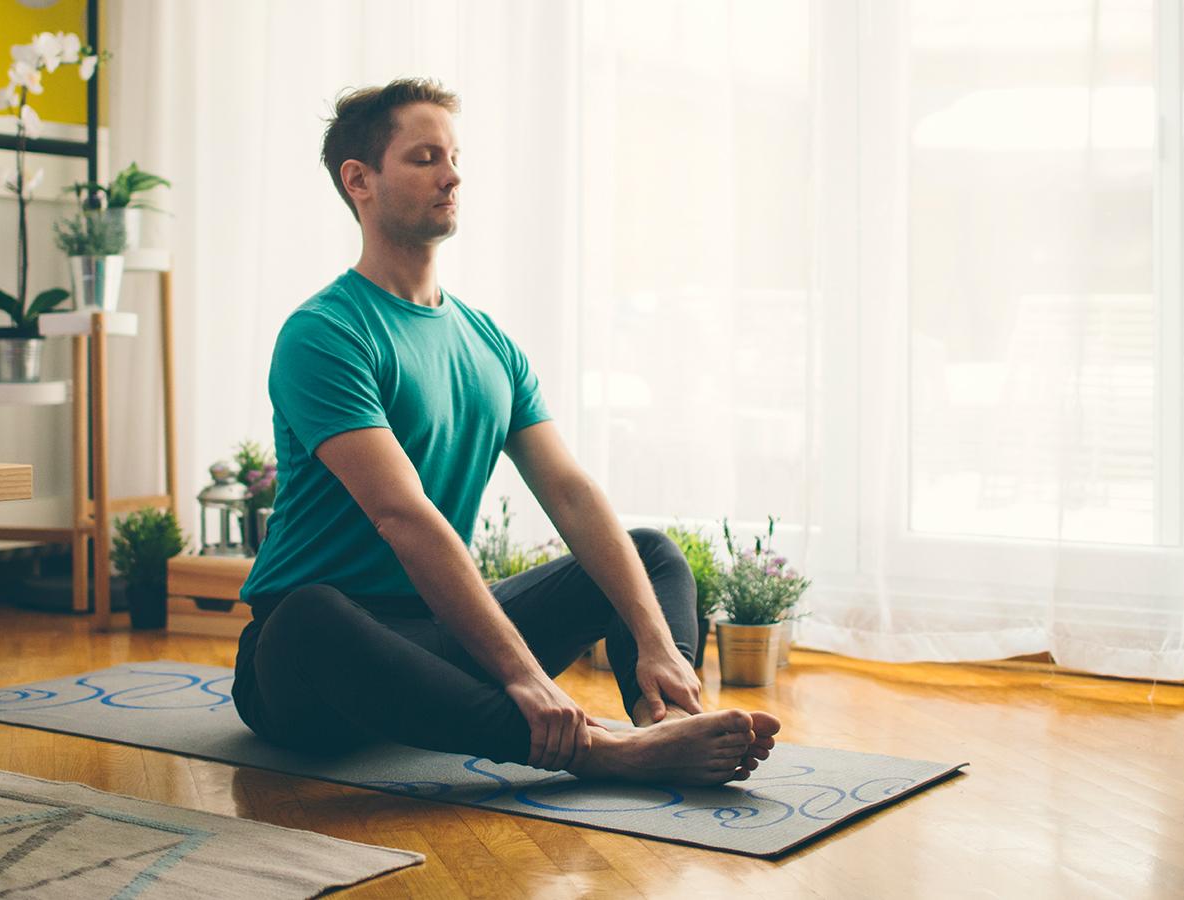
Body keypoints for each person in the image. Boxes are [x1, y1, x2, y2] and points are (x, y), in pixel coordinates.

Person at [233, 78, 778, 782]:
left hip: (443, 634)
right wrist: (525, 676)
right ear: (359, 180)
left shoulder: (486, 341)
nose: (452, 175)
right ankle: (600, 751)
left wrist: (653, 641)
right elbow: (402, 516)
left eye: (455, 156)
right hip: (316, 664)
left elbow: (572, 494)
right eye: (426, 157)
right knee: (307, 618)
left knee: (650, 554)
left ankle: (665, 718)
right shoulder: (325, 333)